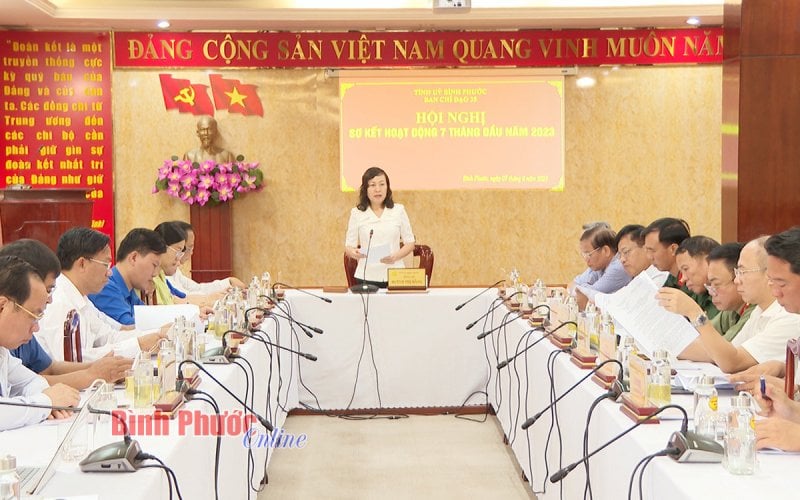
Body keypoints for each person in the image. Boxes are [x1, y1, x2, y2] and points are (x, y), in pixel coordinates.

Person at [0, 239, 131, 388]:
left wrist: (101, 369)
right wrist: (93, 374)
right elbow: (29, 388)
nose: (49, 300)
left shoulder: (17, 334)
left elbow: (47, 370)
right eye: (47, 290)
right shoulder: (20, 327)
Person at [659, 237, 800, 373]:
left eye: (742, 272)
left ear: (768, 273)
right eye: (737, 272)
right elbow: (729, 351)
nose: (737, 280)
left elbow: (731, 362)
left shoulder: (790, 316)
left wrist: (695, 313)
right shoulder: (760, 310)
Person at [36, 228, 167, 363]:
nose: (109, 272)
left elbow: (109, 336)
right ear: (82, 263)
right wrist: (139, 345)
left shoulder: (82, 298)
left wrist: (158, 333)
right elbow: (72, 361)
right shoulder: (59, 301)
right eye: (105, 264)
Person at [0, 255, 80, 430]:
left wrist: (46, 401)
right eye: (33, 316)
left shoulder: (2, 351)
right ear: (2, 306)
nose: (36, 328)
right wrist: (46, 402)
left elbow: (31, 381)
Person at [344, 167, 415, 288]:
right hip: (366, 276)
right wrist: (354, 253)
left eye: (382, 184)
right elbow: (349, 247)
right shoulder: (357, 213)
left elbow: (410, 243)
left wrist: (395, 257)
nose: (378, 189)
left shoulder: (398, 210)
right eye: (372, 185)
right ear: (365, 189)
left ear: (387, 187)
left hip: (395, 275)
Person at [89, 228, 167, 326]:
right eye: (154, 265)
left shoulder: (129, 290)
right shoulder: (105, 287)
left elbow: (149, 318)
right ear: (133, 258)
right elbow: (132, 330)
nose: (155, 273)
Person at [165, 221, 245, 300]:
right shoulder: (163, 274)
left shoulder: (174, 271)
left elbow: (196, 288)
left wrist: (228, 282)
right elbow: (182, 298)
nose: (191, 253)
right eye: (188, 248)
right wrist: (210, 298)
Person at [570, 222, 631, 309]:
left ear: (605, 251)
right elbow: (572, 285)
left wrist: (583, 287)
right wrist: (582, 288)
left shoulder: (618, 267)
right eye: (584, 255)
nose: (586, 259)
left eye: (589, 254)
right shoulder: (598, 265)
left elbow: (587, 295)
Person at [673, 236, 720, 319]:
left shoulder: (726, 296)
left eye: (685, 269)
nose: (683, 278)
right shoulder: (699, 293)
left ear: (708, 261)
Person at [642, 217, 690, 288]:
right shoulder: (672, 277)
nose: (649, 257)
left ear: (674, 249)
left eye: (653, 250)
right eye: (647, 250)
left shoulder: (693, 280)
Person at [149, 222, 189, 305]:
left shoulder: (161, 275)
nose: (179, 259)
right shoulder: (148, 278)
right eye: (178, 251)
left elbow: (172, 302)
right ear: (162, 246)